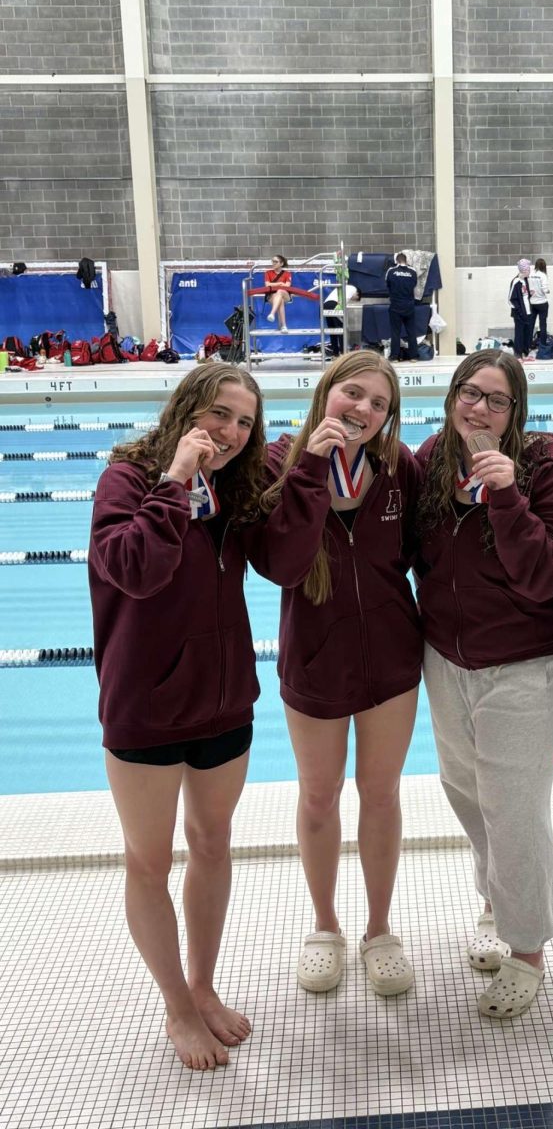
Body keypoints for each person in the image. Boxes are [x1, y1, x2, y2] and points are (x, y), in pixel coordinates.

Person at [88, 363, 269, 1070]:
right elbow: (133, 569)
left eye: (245, 422)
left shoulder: (234, 489)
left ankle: (202, 984)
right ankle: (175, 1004)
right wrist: (174, 481)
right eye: (220, 413)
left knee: (214, 844)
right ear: (189, 406)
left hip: (223, 699)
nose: (230, 431)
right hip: (146, 707)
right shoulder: (126, 480)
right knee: (150, 860)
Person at [415, 349, 553, 1019]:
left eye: (494, 399)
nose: (477, 408)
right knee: (467, 794)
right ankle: (495, 904)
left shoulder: (550, 470)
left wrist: (508, 493)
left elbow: (545, 577)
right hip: (446, 661)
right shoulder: (432, 458)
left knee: (514, 811)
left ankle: (528, 949)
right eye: (467, 392)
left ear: (518, 412)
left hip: (526, 667)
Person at [256, 352, 422, 997]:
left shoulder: (398, 470)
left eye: (379, 404)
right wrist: (308, 471)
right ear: (327, 391)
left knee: (380, 796)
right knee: (319, 797)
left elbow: (409, 558)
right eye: (353, 394)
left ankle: (379, 929)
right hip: (314, 660)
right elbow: (282, 566)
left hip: (391, 660)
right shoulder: (278, 462)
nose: (363, 410)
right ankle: (325, 926)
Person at [385, 252, 419, 361]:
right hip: (409, 306)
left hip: (395, 306)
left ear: (396, 261)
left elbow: (387, 284)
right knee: (411, 332)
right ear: (406, 260)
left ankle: (394, 356)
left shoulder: (391, 271)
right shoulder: (413, 271)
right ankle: (414, 356)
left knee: (395, 332)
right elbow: (414, 284)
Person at [321, 279, 360, 355]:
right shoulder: (353, 289)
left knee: (332, 331)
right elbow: (343, 301)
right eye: (355, 299)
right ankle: (343, 353)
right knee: (341, 329)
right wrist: (342, 314)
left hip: (325, 305)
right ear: (357, 294)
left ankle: (335, 353)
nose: (353, 300)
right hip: (334, 305)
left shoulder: (345, 287)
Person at [508, 258, 533, 357]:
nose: (529, 272)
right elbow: (510, 299)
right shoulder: (516, 282)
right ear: (524, 271)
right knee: (519, 333)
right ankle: (518, 352)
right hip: (519, 313)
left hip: (528, 311)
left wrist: (530, 294)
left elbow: (525, 295)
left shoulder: (526, 280)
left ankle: (525, 351)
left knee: (528, 333)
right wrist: (519, 311)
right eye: (528, 270)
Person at [264, 253, 293, 329]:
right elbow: (267, 284)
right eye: (273, 261)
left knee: (280, 292)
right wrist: (280, 283)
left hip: (285, 294)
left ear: (281, 263)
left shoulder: (287, 273)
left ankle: (272, 313)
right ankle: (283, 325)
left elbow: (287, 285)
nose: (273, 263)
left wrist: (274, 285)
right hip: (272, 296)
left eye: (276, 262)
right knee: (280, 300)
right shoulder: (268, 273)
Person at [528, 258, 551, 346]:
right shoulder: (543, 275)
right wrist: (548, 291)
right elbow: (545, 290)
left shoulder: (530, 273)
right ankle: (543, 345)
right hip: (542, 303)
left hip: (532, 303)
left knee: (531, 324)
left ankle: (528, 344)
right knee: (543, 325)